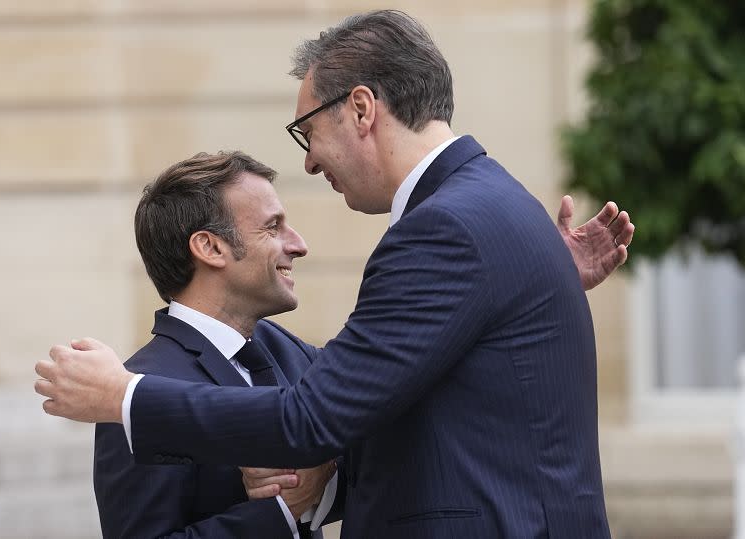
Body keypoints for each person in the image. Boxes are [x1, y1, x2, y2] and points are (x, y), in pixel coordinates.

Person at [36, 10, 635, 538]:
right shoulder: (497, 206)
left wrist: (123, 397)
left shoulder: (444, 229)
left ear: (362, 108)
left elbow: (310, 419)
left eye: (309, 130)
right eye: (272, 226)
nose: (309, 158)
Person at [93, 151, 340, 538]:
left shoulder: (288, 350)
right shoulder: (136, 391)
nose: (298, 245)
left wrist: (324, 469)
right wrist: (281, 512)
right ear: (210, 248)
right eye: (272, 227)